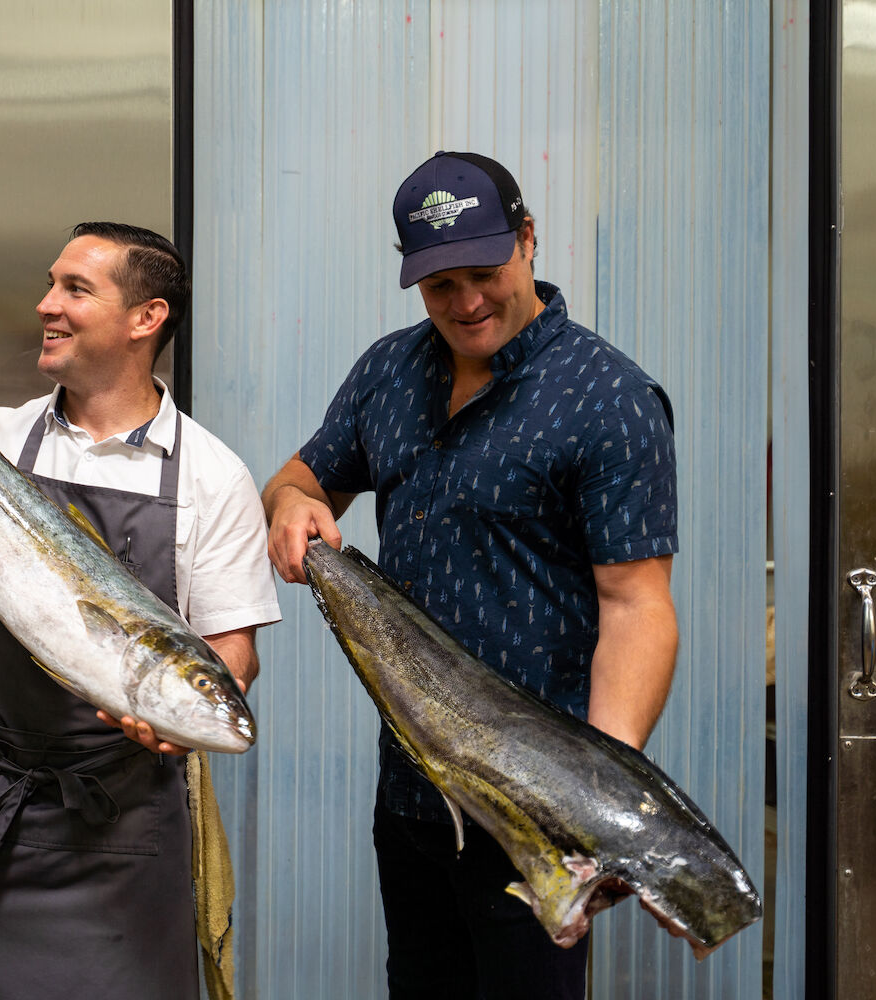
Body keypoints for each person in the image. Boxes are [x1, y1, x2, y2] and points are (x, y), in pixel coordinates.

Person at [262, 152, 679, 999]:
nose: (466, 303)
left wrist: (597, 805)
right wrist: (289, 504)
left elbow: (637, 609)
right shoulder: (390, 370)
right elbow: (302, 477)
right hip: (413, 795)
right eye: (439, 285)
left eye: (484, 273)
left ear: (528, 239)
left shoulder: (609, 397)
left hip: (536, 811)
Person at [0, 221, 280, 999]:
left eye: (75, 289)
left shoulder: (214, 476)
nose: (47, 304)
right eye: (51, 284)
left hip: (122, 834)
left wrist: (181, 715)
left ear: (147, 318)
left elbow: (229, 653)